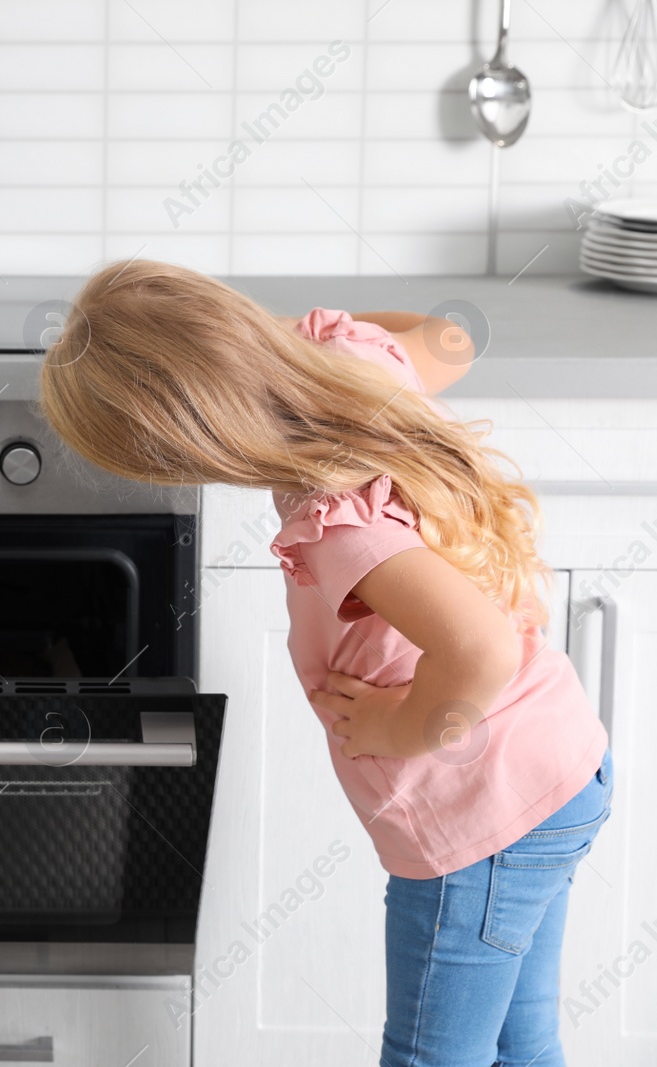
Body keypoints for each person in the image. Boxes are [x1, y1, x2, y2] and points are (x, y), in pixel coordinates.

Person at [40, 260, 611, 1067]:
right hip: (559, 769)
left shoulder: (335, 517)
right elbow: (451, 339)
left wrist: (399, 725)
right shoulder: (353, 372)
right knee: (525, 1044)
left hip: (479, 822)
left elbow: (477, 647)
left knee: (429, 1057)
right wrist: (297, 349)